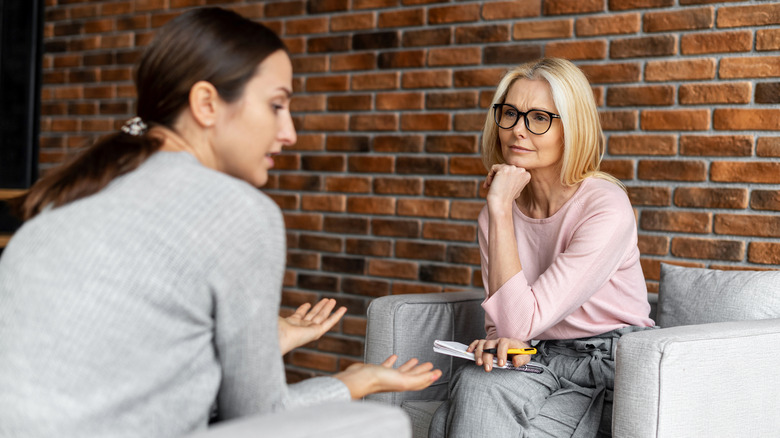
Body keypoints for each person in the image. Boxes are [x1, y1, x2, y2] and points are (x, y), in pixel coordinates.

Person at [0, 7, 440, 437]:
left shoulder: (73, 196)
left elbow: (129, 368)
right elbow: (259, 417)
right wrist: (357, 381)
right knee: (377, 423)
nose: (290, 133)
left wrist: (272, 340)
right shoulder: (239, 211)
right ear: (207, 103)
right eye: (276, 105)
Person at [429, 58, 654, 438]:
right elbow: (506, 326)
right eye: (511, 114)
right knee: (475, 384)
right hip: (538, 355)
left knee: (454, 416)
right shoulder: (496, 216)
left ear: (572, 127)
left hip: (608, 364)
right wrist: (497, 343)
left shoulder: (605, 206)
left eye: (538, 118)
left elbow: (520, 321)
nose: (518, 130)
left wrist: (499, 208)